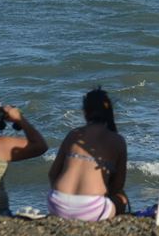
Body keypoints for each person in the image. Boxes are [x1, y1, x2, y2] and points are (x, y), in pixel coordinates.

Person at [47, 87, 128, 221]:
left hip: (57, 203)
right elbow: (118, 185)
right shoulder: (117, 140)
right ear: (109, 112)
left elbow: (52, 174)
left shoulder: (73, 134)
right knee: (121, 198)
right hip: (92, 209)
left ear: (85, 112)